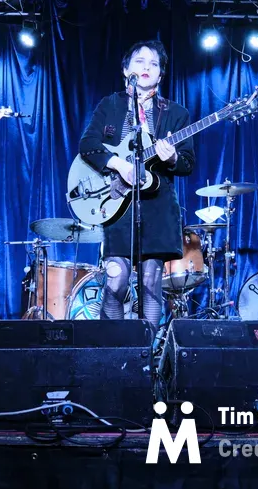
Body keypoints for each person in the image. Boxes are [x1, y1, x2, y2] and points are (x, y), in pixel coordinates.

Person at [78, 40, 196, 326]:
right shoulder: (110, 105)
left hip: (157, 207)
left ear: (160, 75)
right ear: (126, 69)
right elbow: (88, 145)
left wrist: (170, 160)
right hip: (117, 206)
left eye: (153, 64)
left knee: (151, 282)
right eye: (140, 61)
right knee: (115, 282)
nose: (146, 67)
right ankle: (116, 351)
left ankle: (147, 359)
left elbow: (187, 163)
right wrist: (117, 163)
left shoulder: (176, 113)